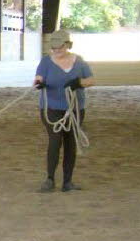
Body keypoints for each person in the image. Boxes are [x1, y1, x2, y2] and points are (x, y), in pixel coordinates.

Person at [33, 29, 95, 192]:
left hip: (75, 109)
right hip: (51, 108)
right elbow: (38, 77)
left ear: (67, 45)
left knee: (70, 143)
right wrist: (39, 83)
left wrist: (79, 83)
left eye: (59, 47)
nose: (56, 50)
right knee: (54, 141)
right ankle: (50, 179)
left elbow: (91, 79)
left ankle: (67, 182)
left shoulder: (79, 62)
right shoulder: (46, 62)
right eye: (53, 48)